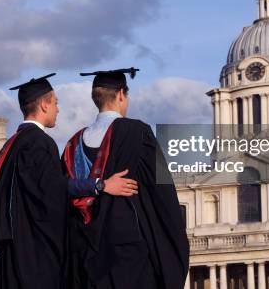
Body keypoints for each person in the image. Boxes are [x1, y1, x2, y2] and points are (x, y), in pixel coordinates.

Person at [0, 73, 138, 289]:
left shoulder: (12, 145)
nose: (58, 109)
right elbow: (54, 187)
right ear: (44, 105)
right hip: (32, 256)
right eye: (55, 103)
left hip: (9, 252)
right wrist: (100, 185)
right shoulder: (39, 143)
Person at [62, 68, 190, 289]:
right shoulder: (137, 133)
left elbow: (61, 190)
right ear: (121, 94)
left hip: (83, 250)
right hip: (128, 252)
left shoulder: (73, 143)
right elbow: (161, 194)